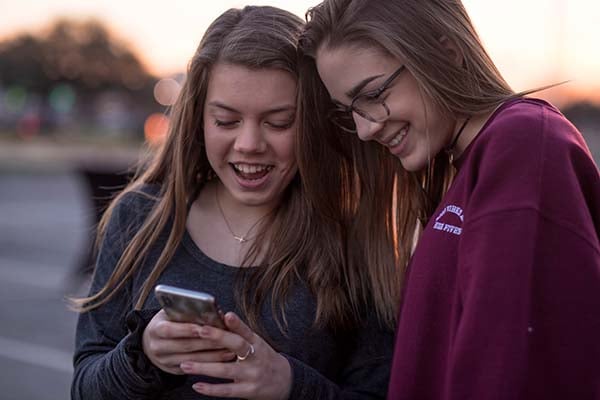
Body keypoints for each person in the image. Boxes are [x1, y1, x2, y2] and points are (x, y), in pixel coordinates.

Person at [70, 6, 396, 400]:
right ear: (198, 120)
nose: (249, 144)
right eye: (226, 121)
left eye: (279, 122)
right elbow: (84, 387)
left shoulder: (353, 238)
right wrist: (141, 356)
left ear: (314, 122)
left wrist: (290, 386)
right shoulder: (141, 217)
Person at [297, 0, 600, 399]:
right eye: (348, 111)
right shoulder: (471, 164)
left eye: (372, 94)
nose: (365, 129)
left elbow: (510, 367)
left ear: (445, 51)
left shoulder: (523, 144)